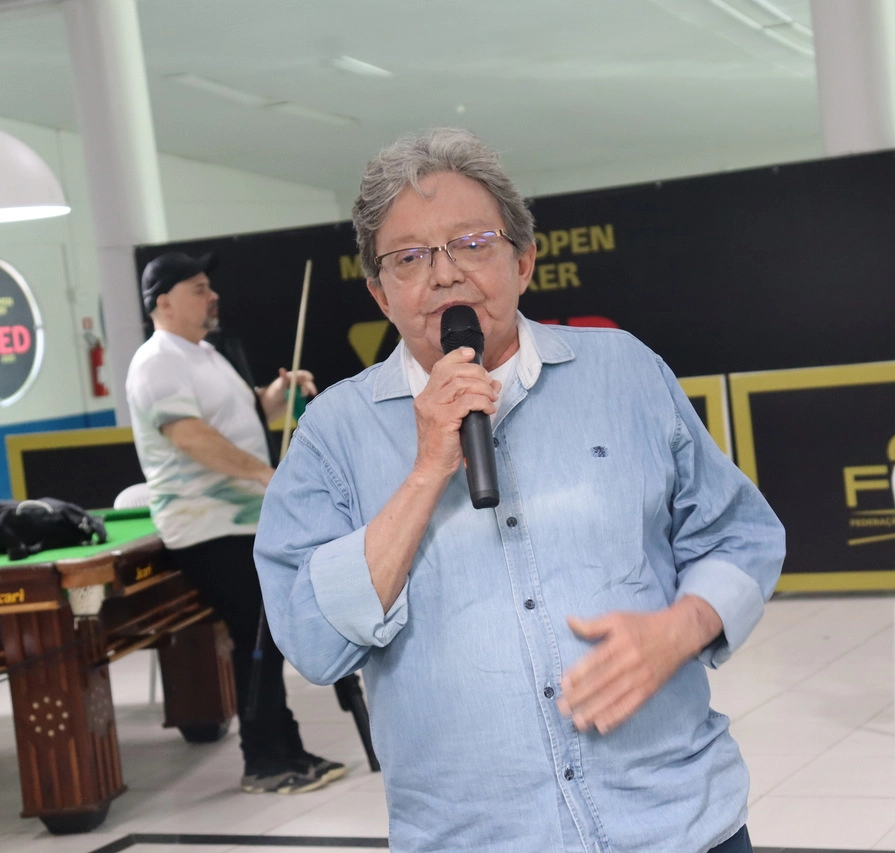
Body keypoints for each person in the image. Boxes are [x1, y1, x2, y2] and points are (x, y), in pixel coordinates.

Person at [252, 128, 785, 852]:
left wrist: (680, 628)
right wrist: (425, 469)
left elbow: (741, 536)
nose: (443, 274)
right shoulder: (332, 434)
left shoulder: (623, 370)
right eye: (408, 257)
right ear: (380, 292)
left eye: (471, 242)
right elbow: (312, 640)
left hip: (676, 820)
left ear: (524, 260)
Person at [125, 251, 346, 795]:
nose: (212, 295)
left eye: (208, 286)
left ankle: (283, 747)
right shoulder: (157, 361)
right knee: (258, 637)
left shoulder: (205, 354)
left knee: (267, 638)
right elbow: (191, 436)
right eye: (198, 288)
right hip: (205, 526)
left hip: (240, 523)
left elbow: (245, 416)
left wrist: (276, 396)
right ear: (164, 301)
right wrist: (266, 475)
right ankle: (263, 761)